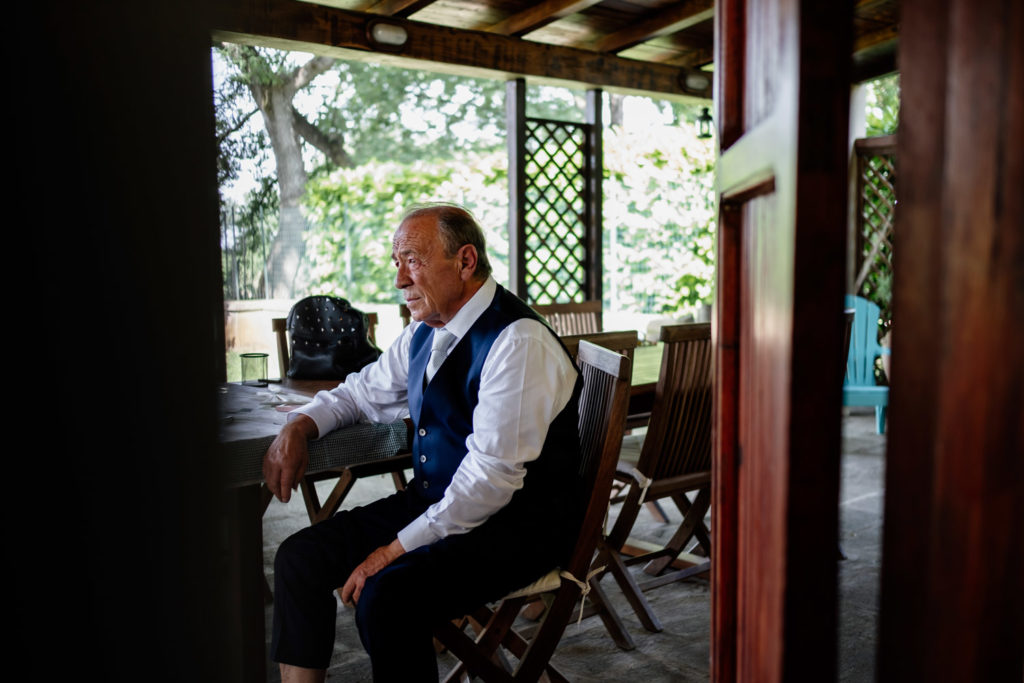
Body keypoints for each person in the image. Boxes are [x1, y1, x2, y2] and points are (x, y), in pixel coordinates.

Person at [262, 203, 584, 682]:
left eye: (411, 260)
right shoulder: (424, 332)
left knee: (386, 597)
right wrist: (300, 425)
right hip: (440, 503)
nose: (398, 280)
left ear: (466, 261)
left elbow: (490, 482)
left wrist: (394, 549)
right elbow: (359, 392)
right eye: (397, 262)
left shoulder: (518, 341)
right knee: (299, 558)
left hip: (517, 528)